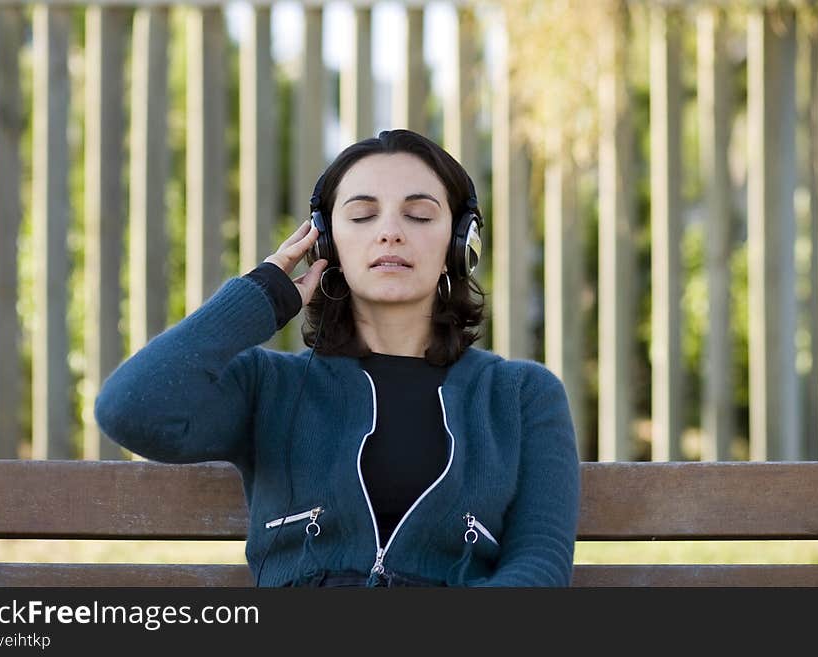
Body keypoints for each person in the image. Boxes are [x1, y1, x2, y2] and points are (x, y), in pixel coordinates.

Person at [94, 129, 581, 587]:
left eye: (419, 214)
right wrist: (264, 294)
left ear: (460, 242)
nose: (390, 232)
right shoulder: (268, 386)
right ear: (326, 242)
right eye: (363, 214)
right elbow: (130, 409)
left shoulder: (521, 396)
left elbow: (539, 564)